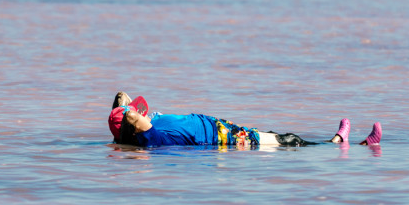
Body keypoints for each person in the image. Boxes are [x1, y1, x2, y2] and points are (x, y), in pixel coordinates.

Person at [108, 92, 382, 148]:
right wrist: (126, 117)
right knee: (289, 141)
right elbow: (132, 115)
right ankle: (342, 142)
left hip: (221, 129)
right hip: (225, 140)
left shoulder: (145, 129)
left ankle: (341, 141)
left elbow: (123, 97)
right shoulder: (149, 139)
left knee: (276, 137)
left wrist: (120, 113)